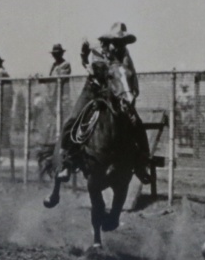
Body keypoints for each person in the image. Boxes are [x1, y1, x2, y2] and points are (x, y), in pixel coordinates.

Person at [59, 23, 152, 184]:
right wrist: (84, 58)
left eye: (122, 42)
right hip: (92, 89)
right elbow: (85, 59)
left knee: (137, 123)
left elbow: (131, 75)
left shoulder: (125, 55)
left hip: (115, 93)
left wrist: (132, 94)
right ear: (109, 41)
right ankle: (67, 162)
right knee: (73, 119)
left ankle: (142, 164)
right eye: (116, 42)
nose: (119, 46)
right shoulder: (97, 50)